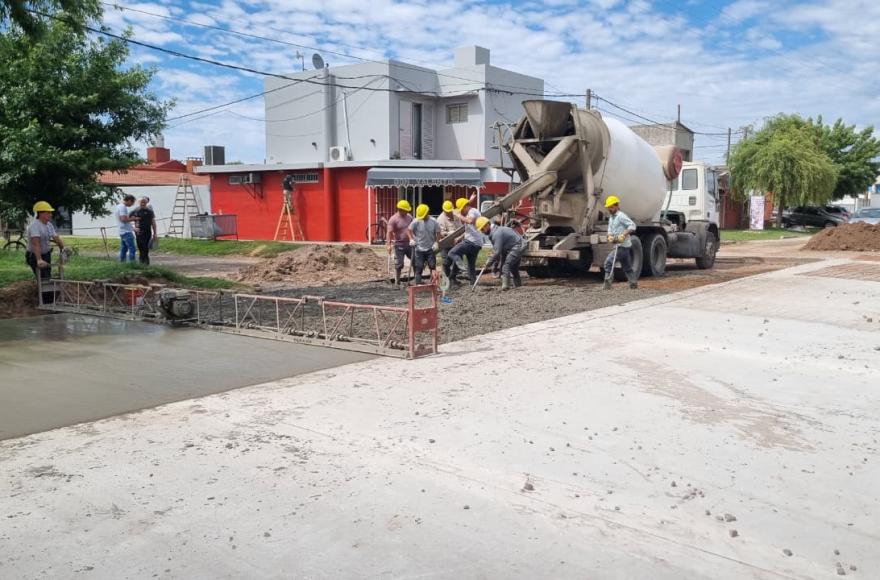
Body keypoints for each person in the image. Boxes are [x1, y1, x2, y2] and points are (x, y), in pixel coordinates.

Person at [26, 201, 65, 304]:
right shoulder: (34, 226)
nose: (51, 215)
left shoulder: (48, 225)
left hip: (46, 254)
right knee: (44, 278)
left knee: (48, 276)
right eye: (48, 213)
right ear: (41, 214)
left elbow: (56, 238)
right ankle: (47, 303)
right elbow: (36, 243)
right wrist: (39, 259)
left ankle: (51, 302)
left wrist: (64, 249)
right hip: (34, 255)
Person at [603, 195, 638, 290]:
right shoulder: (611, 217)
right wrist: (609, 236)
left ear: (617, 206)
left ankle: (607, 285)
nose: (609, 209)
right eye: (608, 207)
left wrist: (623, 234)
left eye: (611, 207)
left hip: (622, 246)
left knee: (608, 262)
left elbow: (632, 225)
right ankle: (633, 284)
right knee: (627, 266)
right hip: (619, 245)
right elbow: (610, 229)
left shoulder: (621, 216)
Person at [478, 217, 524, 290]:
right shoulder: (495, 232)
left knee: (506, 266)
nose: (482, 231)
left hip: (518, 246)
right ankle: (518, 287)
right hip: (516, 245)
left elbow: (497, 252)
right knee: (513, 268)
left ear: (487, 225)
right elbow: (501, 253)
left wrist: (487, 264)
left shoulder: (496, 233)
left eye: (482, 229)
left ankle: (505, 287)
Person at [448, 197, 483, 283]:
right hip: (477, 243)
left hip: (471, 242)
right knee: (471, 265)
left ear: (464, 207)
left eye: (461, 209)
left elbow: (470, 221)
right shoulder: (471, 212)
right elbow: (470, 228)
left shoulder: (472, 211)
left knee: (452, 253)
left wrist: (458, 215)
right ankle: (473, 283)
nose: (461, 212)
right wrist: (460, 238)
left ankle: (461, 267)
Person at [408, 204, 440, 285]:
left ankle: (433, 283)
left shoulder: (434, 221)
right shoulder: (416, 221)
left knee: (432, 266)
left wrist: (436, 242)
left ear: (427, 212)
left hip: (430, 248)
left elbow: (438, 232)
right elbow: (409, 230)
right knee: (419, 267)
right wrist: (411, 239)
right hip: (419, 248)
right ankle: (418, 284)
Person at [386, 199, 413, 285]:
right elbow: (389, 232)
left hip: (409, 244)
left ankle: (417, 280)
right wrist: (388, 244)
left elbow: (413, 229)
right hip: (399, 245)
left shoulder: (409, 217)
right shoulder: (393, 219)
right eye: (405, 210)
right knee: (399, 264)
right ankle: (397, 281)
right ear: (400, 209)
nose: (407, 212)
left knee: (416, 261)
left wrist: (414, 239)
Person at [437, 200, 462, 281]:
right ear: (444, 210)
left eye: (450, 211)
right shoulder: (440, 219)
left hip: (457, 243)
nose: (449, 212)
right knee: (446, 262)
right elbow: (441, 233)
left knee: (458, 260)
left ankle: (453, 277)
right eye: (447, 211)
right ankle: (446, 280)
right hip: (446, 244)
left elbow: (461, 228)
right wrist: (448, 233)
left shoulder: (456, 215)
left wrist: (459, 236)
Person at [131, 197, 157, 265]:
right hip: (139, 232)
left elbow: (153, 222)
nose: (142, 204)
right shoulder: (135, 210)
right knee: (140, 248)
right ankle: (141, 263)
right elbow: (126, 220)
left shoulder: (150, 211)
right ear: (138, 203)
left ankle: (146, 263)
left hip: (147, 232)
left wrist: (155, 233)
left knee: (146, 248)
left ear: (146, 203)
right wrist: (133, 228)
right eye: (141, 202)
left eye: (144, 202)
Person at [116, 194, 139, 262]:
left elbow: (123, 219)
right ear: (129, 200)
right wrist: (133, 218)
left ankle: (122, 262)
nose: (132, 204)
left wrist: (132, 228)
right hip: (126, 232)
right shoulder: (123, 207)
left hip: (122, 230)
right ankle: (132, 263)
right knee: (132, 249)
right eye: (132, 202)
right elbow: (123, 219)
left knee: (124, 248)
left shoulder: (119, 206)